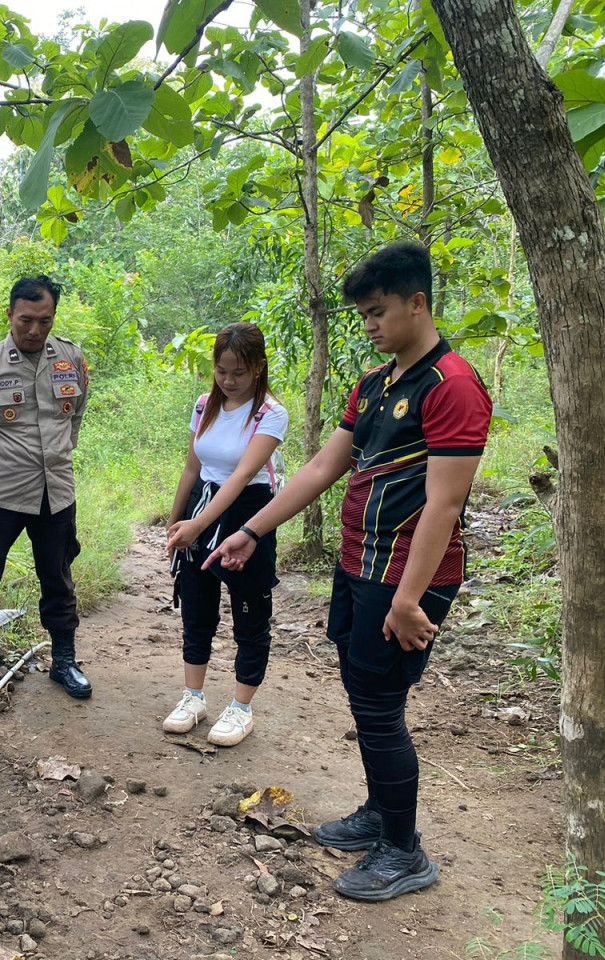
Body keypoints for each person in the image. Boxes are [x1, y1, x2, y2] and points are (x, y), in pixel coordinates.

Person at [212, 241, 492, 902]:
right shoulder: (373, 385)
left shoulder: (452, 385)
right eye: (363, 314)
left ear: (416, 302)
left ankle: (404, 849)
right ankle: (380, 815)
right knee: (365, 694)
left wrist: (407, 598)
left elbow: (445, 501)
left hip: (407, 579)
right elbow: (318, 469)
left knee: (378, 702)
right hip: (358, 565)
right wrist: (253, 529)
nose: (368, 324)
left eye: (377, 311)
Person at [0, 275, 92, 698]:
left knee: (58, 576)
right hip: (0, 492)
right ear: (9, 315)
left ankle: (64, 660)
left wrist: (57, 457)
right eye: (25, 320)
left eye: (44, 321)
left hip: (57, 492)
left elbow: (75, 415)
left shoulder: (71, 358)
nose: (34, 330)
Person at [164, 322, 288, 746]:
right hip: (203, 502)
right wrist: (177, 516)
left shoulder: (270, 414)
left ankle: (240, 706)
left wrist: (199, 524)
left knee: (249, 610)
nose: (229, 381)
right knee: (196, 602)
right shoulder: (204, 406)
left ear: (258, 368)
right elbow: (192, 467)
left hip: (249, 510)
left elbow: (242, 476)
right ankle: (193, 696)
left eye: (238, 372)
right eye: (221, 371)